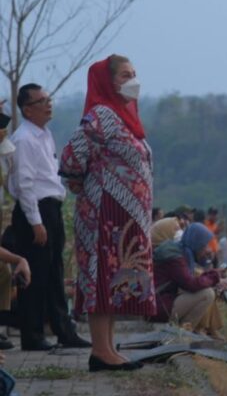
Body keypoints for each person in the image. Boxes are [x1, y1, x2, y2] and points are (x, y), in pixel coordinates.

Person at [59, 55, 157, 371]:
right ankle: (100, 351)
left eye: (135, 73)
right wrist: (75, 181)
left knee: (117, 283)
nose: (133, 80)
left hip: (127, 218)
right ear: (107, 81)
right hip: (104, 216)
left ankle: (109, 348)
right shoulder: (101, 116)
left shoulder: (125, 116)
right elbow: (72, 157)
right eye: (126, 75)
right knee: (101, 279)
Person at [9, 83, 91, 352]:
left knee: (54, 271)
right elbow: (25, 184)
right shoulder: (23, 139)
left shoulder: (44, 134)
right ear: (28, 109)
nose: (48, 104)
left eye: (48, 99)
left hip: (51, 208)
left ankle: (63, 329)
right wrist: (35, 221)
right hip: (36, 210)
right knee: (35, 274)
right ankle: (32, 335)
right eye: (41, 101)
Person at [151, 223, 223, 327]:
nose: (207, 250)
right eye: (203, 245)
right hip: (159, 306)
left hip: (161, 302)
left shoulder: (180, 252)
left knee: (206, 290)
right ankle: (183, 333)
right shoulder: (175, 258)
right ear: (196, 244)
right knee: (207, 294)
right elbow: (191, 284)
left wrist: (211, 274)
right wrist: (214, 276)